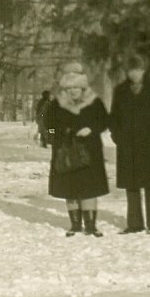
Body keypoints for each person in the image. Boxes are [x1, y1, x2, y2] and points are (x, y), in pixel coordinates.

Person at [109, 54, 150, 234]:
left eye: (137, 70)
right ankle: (134, 224)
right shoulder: (120, 90)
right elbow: (114, 117)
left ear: (143, 70)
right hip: (127, 146)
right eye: (130, 71)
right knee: (131, 185)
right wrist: (117, 137)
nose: (133, 74)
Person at [47, 65, 109, 237]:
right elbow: (47, 126)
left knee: (90, 188)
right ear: (65, 88)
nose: (73, 91)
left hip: (90, 151)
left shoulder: (95, 102)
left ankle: (90, 225)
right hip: (66, 152)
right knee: (70, 189)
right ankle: (75, 225)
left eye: (76, 87)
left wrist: (92, 129)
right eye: (69, 88)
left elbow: (105, 122)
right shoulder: (56, 104)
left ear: (83, 87)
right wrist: (57, 136)